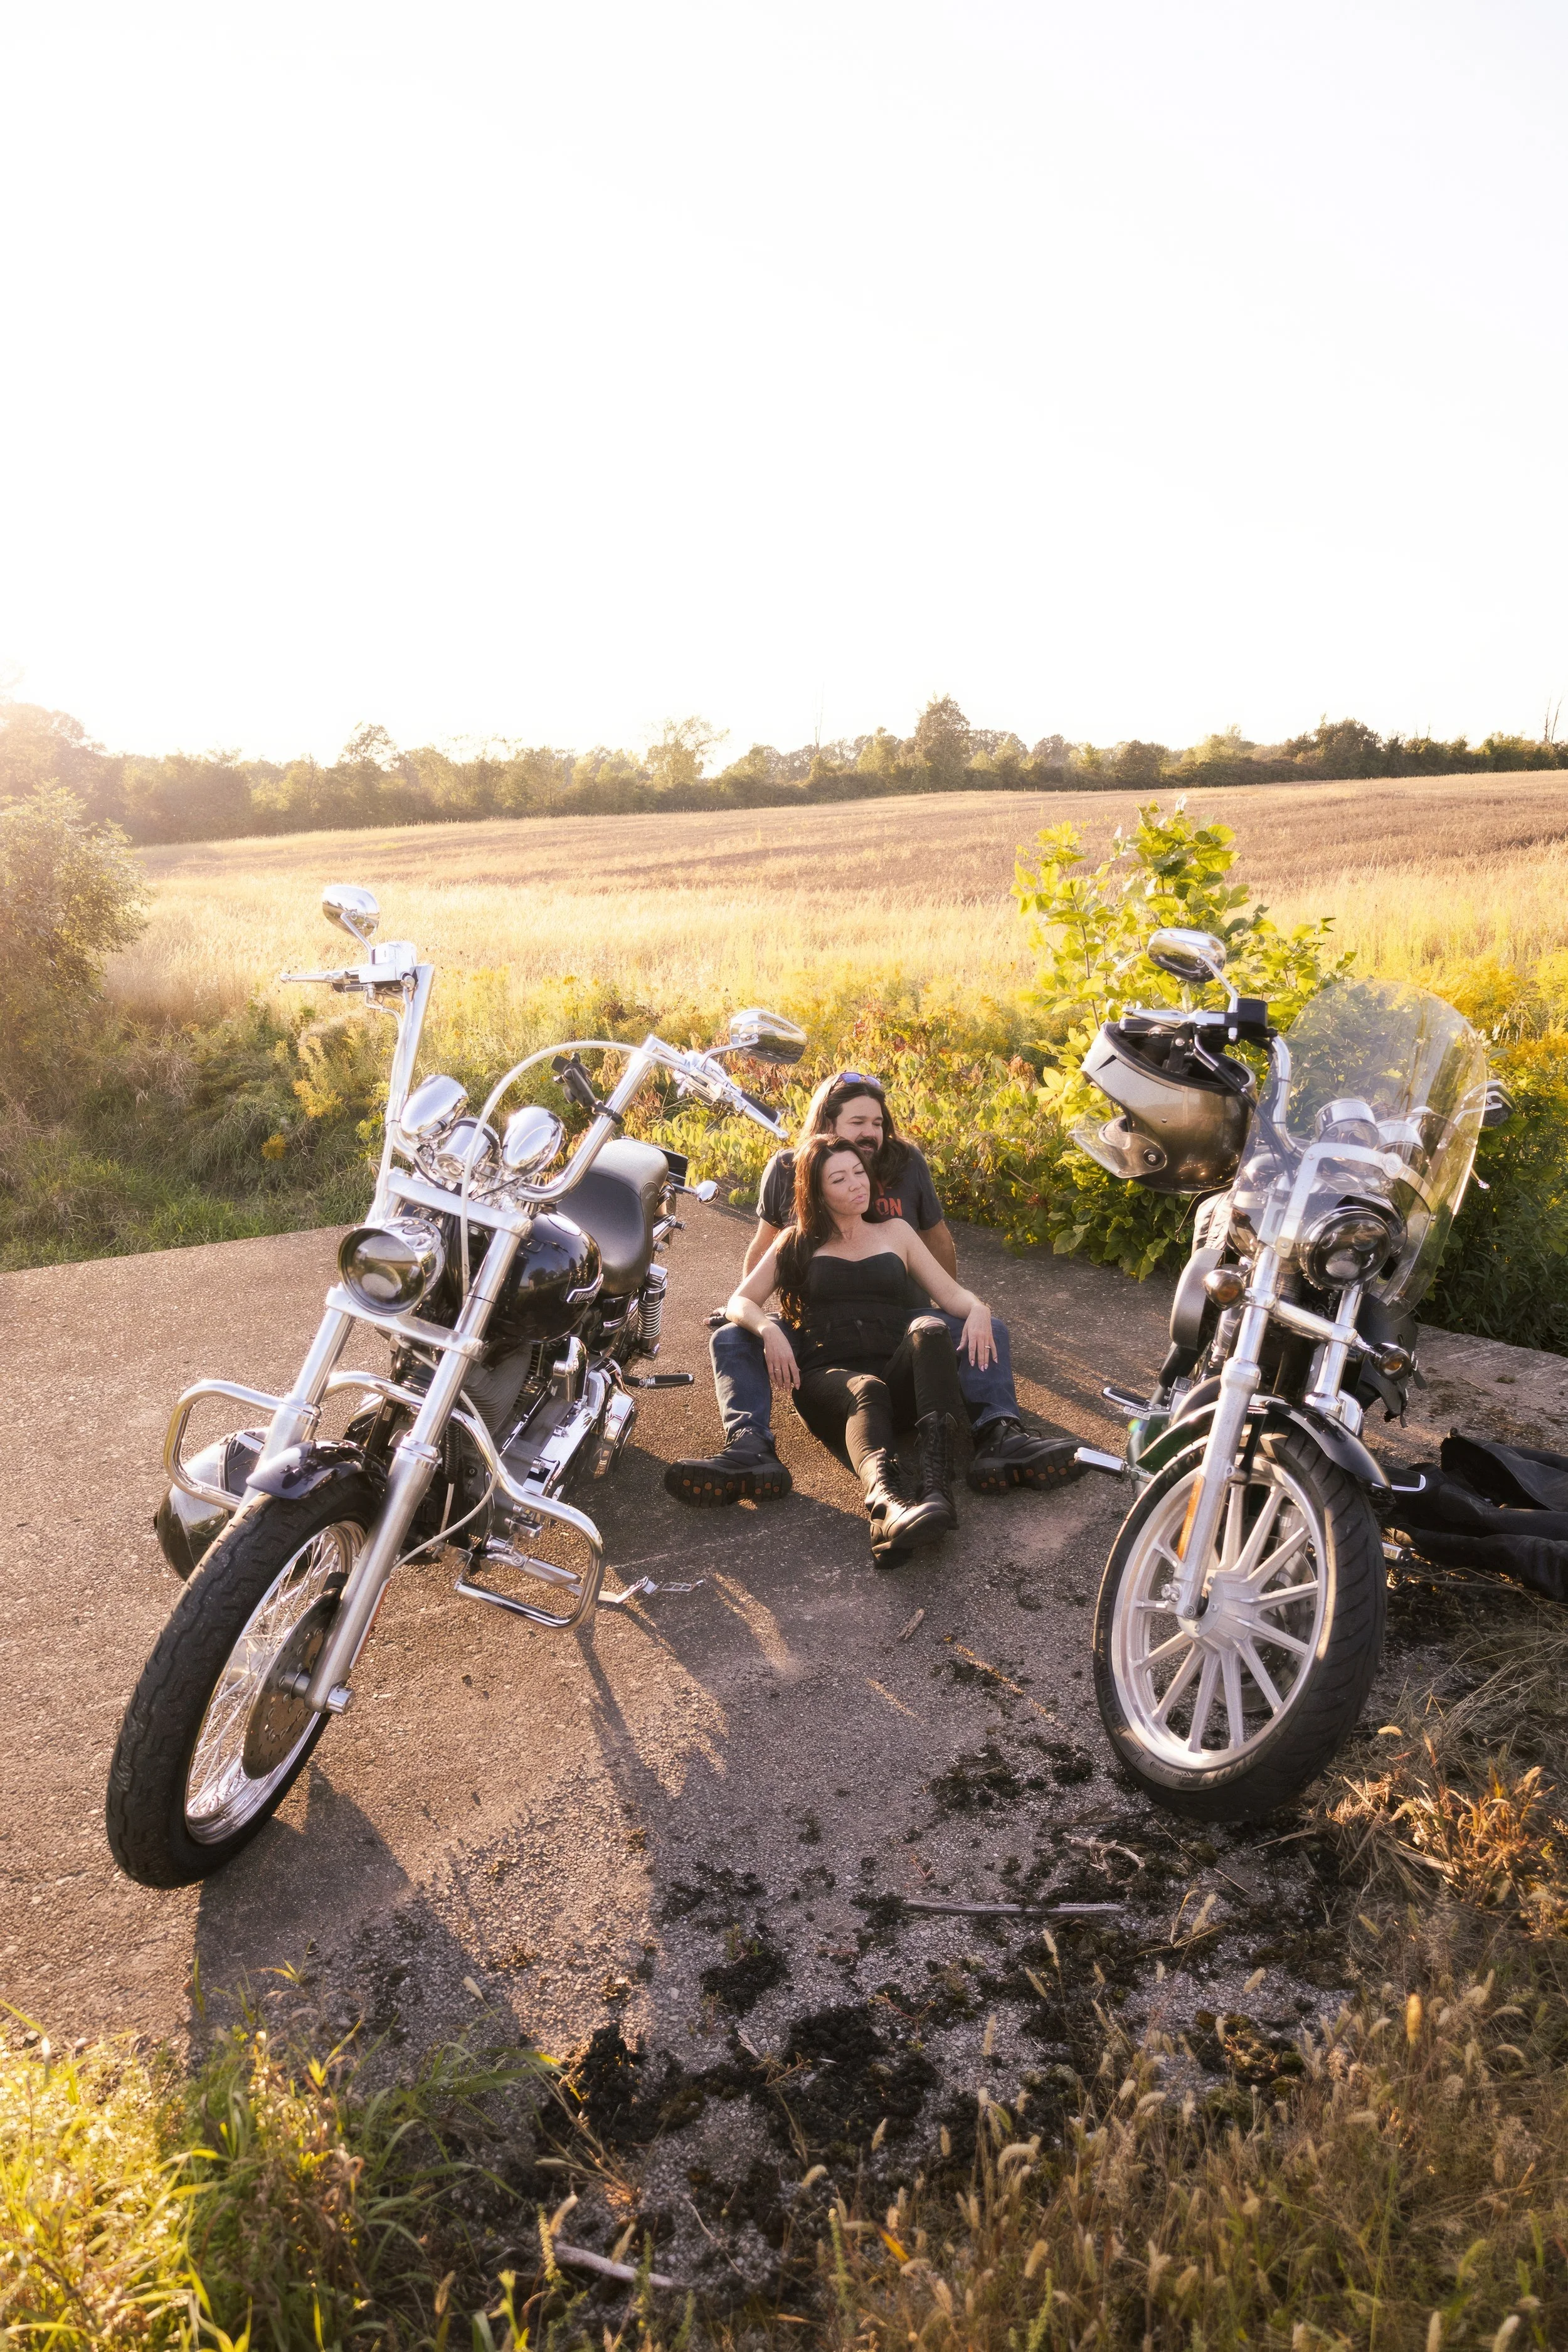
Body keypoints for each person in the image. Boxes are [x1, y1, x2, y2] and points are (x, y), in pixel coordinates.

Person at [664, 1069, 1084, 1506]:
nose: (870, 1136)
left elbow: (939, 1246)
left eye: (877, 1123)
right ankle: (750, 1447)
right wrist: (761, 1325)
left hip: (900, 1322)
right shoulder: (791, 1187)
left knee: (986, 1326)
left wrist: (967, 1308)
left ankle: (999, 1432)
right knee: (733, 1335)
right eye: (857, 1124)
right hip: (819, 1328)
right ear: (827, 1127)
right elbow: (761, 1256)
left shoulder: (904, 1175)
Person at [724, 1133, 984, 1564]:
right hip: (830, 1383)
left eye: (859, 1173)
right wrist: (769, 1331)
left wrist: (978, 1309)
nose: (856, 1185)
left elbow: (953, 1296)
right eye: (840, 1179)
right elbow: (740, 1301)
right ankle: (887, 1505)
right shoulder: (794, 1241)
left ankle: (937, 1487)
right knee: (867, 1389)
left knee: (932, 1328)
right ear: (817, 1191)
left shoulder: (896, 1232)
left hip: (895, 1377)